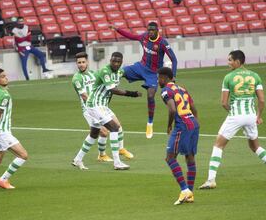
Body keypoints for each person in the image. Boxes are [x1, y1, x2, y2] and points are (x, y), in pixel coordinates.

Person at [199, 50, 266, 190]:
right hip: (251, 116)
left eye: (230, 60)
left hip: (236, 115)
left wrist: (234, 113)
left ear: (238, 61)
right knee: (255, 147)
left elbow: (223, 103)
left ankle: (211, 180)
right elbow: (261, 99)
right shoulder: (255, 76)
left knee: (218, 145)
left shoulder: (229, 77)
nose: (228, 63)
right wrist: (258, 116)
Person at [72, 52, 142, 170]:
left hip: (102, 105)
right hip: (94, 105)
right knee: (113, 128)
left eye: (83, 62)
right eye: (113, 61)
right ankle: (117, 162)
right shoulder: (100, 72)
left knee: (95, 133)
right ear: (110, 61)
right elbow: (112, 90)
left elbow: (128, 72)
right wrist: (132, 94)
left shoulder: (101, 73)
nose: (115, 63)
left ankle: (78, 159)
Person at [109, 22, 178, 139]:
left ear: (157, 31)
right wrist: (117, 29)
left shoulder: (162, 43)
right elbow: (131, 36)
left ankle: (150, 123)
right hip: (140, 67)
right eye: (149, 30)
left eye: (152, 30)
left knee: (151, 95)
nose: (150, 32)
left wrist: (173, 75)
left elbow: (174, 59)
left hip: (153, 73)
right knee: (119, 72)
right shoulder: (144, 37)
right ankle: (105, 93)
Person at [158, 67, 199, 205]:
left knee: (170, 157)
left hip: (182, 125)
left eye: (159, 78)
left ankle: (184, 190)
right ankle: (190, 193)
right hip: (193, 123)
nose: (158, 81)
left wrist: (169, 125)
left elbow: (172, 109)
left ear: (164, 78)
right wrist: (195, 122)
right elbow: (193, 108)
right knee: (190, 157)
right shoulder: (182, 89)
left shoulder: (165, 91)